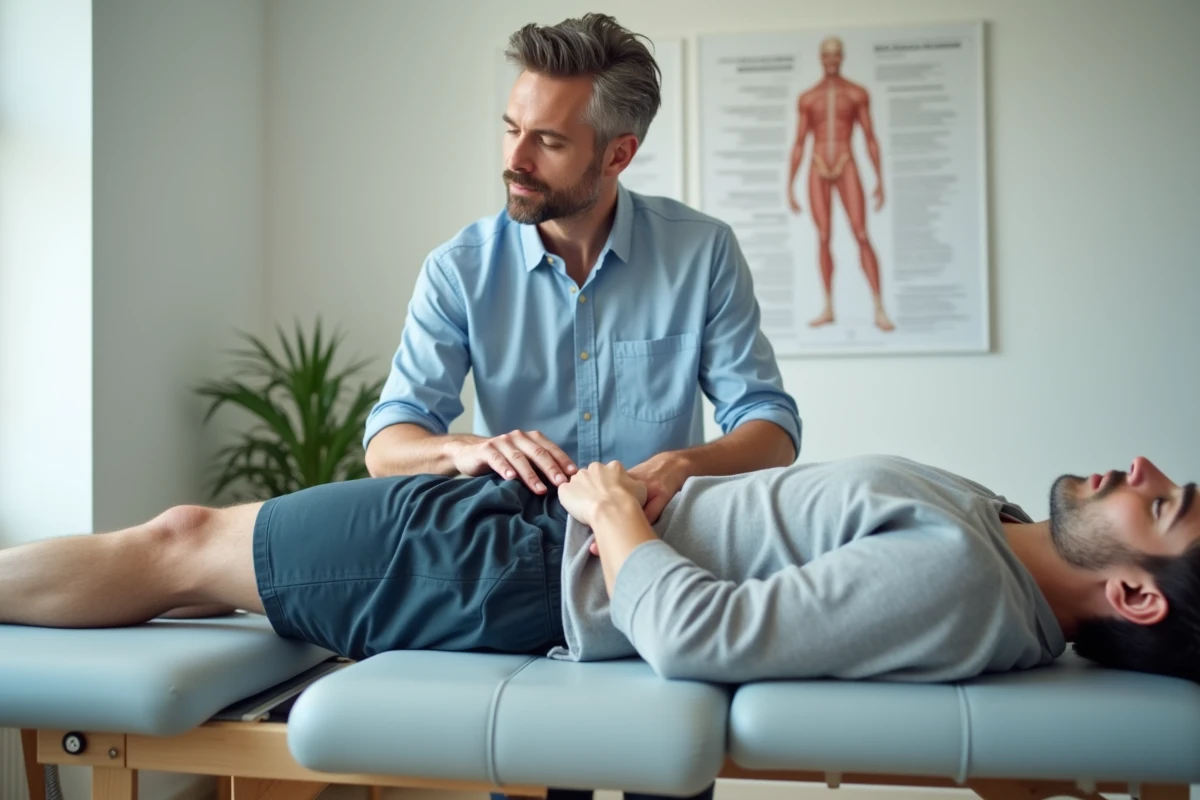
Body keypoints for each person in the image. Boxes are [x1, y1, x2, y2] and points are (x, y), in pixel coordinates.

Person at [2, 454, 1197, 687]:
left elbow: (705, 637)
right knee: (184, 548)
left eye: (1166, 504)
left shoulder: (962, 583)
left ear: (1135, 591)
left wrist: (617, 509)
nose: (1143, 465)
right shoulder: (985, 530)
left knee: (180, 544)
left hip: (521, 568)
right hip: (536, 525)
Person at [363, 13, 801, 528]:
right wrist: (465, 451)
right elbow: (386, 446)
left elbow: (772, 427)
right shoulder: (458, 270)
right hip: (512, 550)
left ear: (618, 154)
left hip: (662, 542)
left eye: (548, 142)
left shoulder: (703, 252)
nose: (516, 160)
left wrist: (681, 465)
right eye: (511, 130)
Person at [787, 36, 895, 333]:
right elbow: (798, 143)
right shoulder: (808, 98)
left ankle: (878, 307)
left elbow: (871, 138)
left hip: (846, 161)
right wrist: (790, 186)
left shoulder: (856, 93)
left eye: (836, 55)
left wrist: (880, 180)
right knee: (823, 236)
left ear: (842, 57)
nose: (831, 60)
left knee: (860, 233)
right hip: (818, 165)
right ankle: (829, 307)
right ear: (821, 58)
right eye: (827, 55)